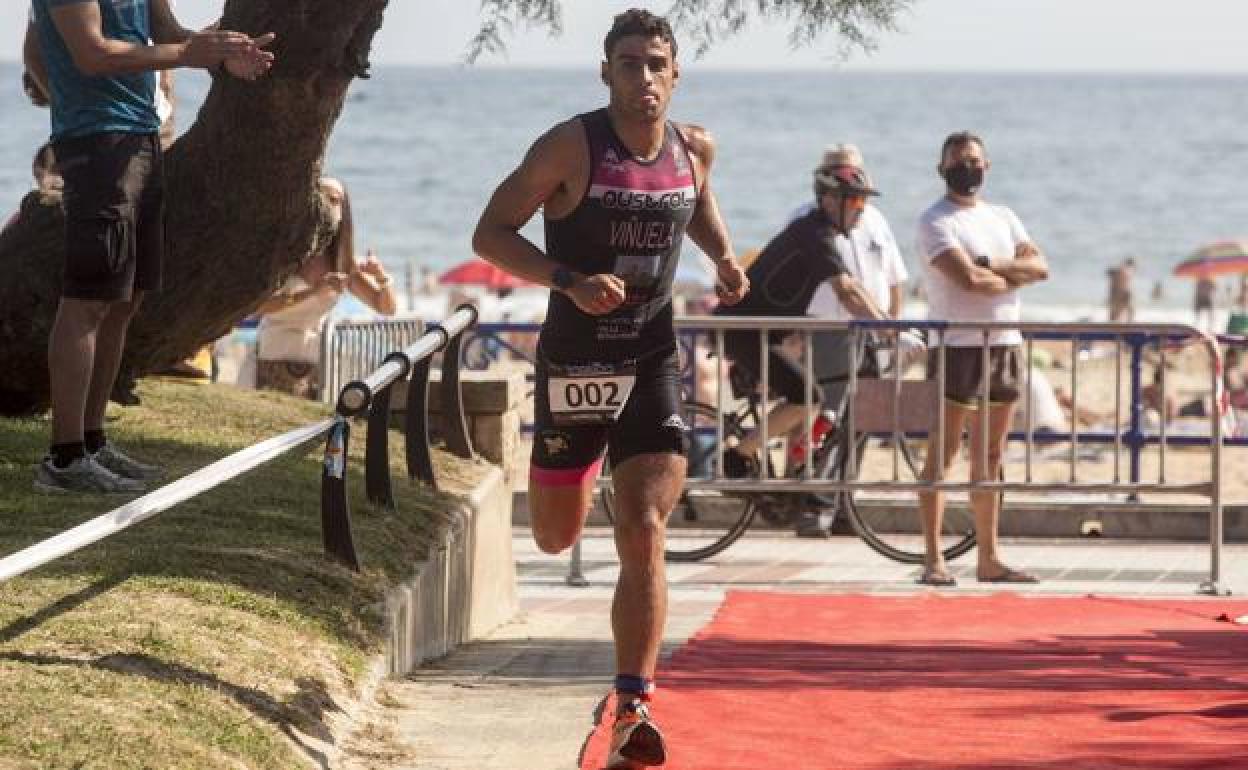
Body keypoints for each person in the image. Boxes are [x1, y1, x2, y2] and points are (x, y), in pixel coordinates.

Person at [471, 10, 748, 768]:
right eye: (630, 64)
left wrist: (725, 259)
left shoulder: (695, 148)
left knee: (644, 531)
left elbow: (700, 208)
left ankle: (634, 704)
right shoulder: (570, 145)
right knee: (556, 535)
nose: (645, 78)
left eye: (658, 64)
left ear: (676, 72)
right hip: (575, 362)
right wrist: (567, 278)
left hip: (654, 358)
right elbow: (490, 234)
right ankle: (587, 469)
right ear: (606, 73)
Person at [29, 0, 274, 494]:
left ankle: (92, 441)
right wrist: (186, 52)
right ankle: (64, 458)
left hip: (141, 135)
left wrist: (222, 49)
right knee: (88, 300)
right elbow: (91, 54)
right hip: (95, 141)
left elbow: (172, 33)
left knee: (125, 299)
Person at [915, 130, 1050, 586]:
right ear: (942, 169)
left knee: (990, 454)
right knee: (945, 452)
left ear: (987, 165)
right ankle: (934, 559)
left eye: (973, 160)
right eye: (957, 161)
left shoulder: (1003, 217)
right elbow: (966, 280)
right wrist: (1008, 274)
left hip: (1004, 345)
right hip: (957, 348)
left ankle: (989, 558)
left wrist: (991, 267)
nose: (966, 168)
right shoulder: (935, 220)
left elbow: (1041, 267)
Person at [713, 149, 891, 488]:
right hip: (745, 330)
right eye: (854, 202)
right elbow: (847, 292)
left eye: (863, 203)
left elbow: (854, 286)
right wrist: (889, 332)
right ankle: (737, 456)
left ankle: (791, 481)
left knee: (811, 401)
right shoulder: (814, 234)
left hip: (765, 332)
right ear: (828, 200)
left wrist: (887, 322)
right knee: (807, 397)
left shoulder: (820, 233)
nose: (861, 210)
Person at [780, 144, 916, 536]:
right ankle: (810, 504)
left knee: (862, 419)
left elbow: (893, 279)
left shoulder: (875, 221)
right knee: (822, 417)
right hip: (824, 329)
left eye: (854, 173)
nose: (849, 183)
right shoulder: (806, 219)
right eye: (839, 173)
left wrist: (894, 326)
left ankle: (844, 503)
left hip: (871, 331)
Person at [255, 178, 397, 399]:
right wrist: (312, 292)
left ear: (343, 211)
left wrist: (381, 277)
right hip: (273, 352)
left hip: (316, 359)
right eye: (321, 198)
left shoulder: (341, 263)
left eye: (335, 200)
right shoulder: (285, 254)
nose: (328, 206)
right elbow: (259, 307)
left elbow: (386, 308)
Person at [1107, 257, 1135, 322]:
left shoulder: (1123, 270)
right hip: (1122, 292)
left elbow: (1110, 273)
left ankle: (1115, 325)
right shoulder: (1126, 270)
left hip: (1120, 292)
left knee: (1116, 312)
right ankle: (1127, 324)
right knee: (1127, 311)